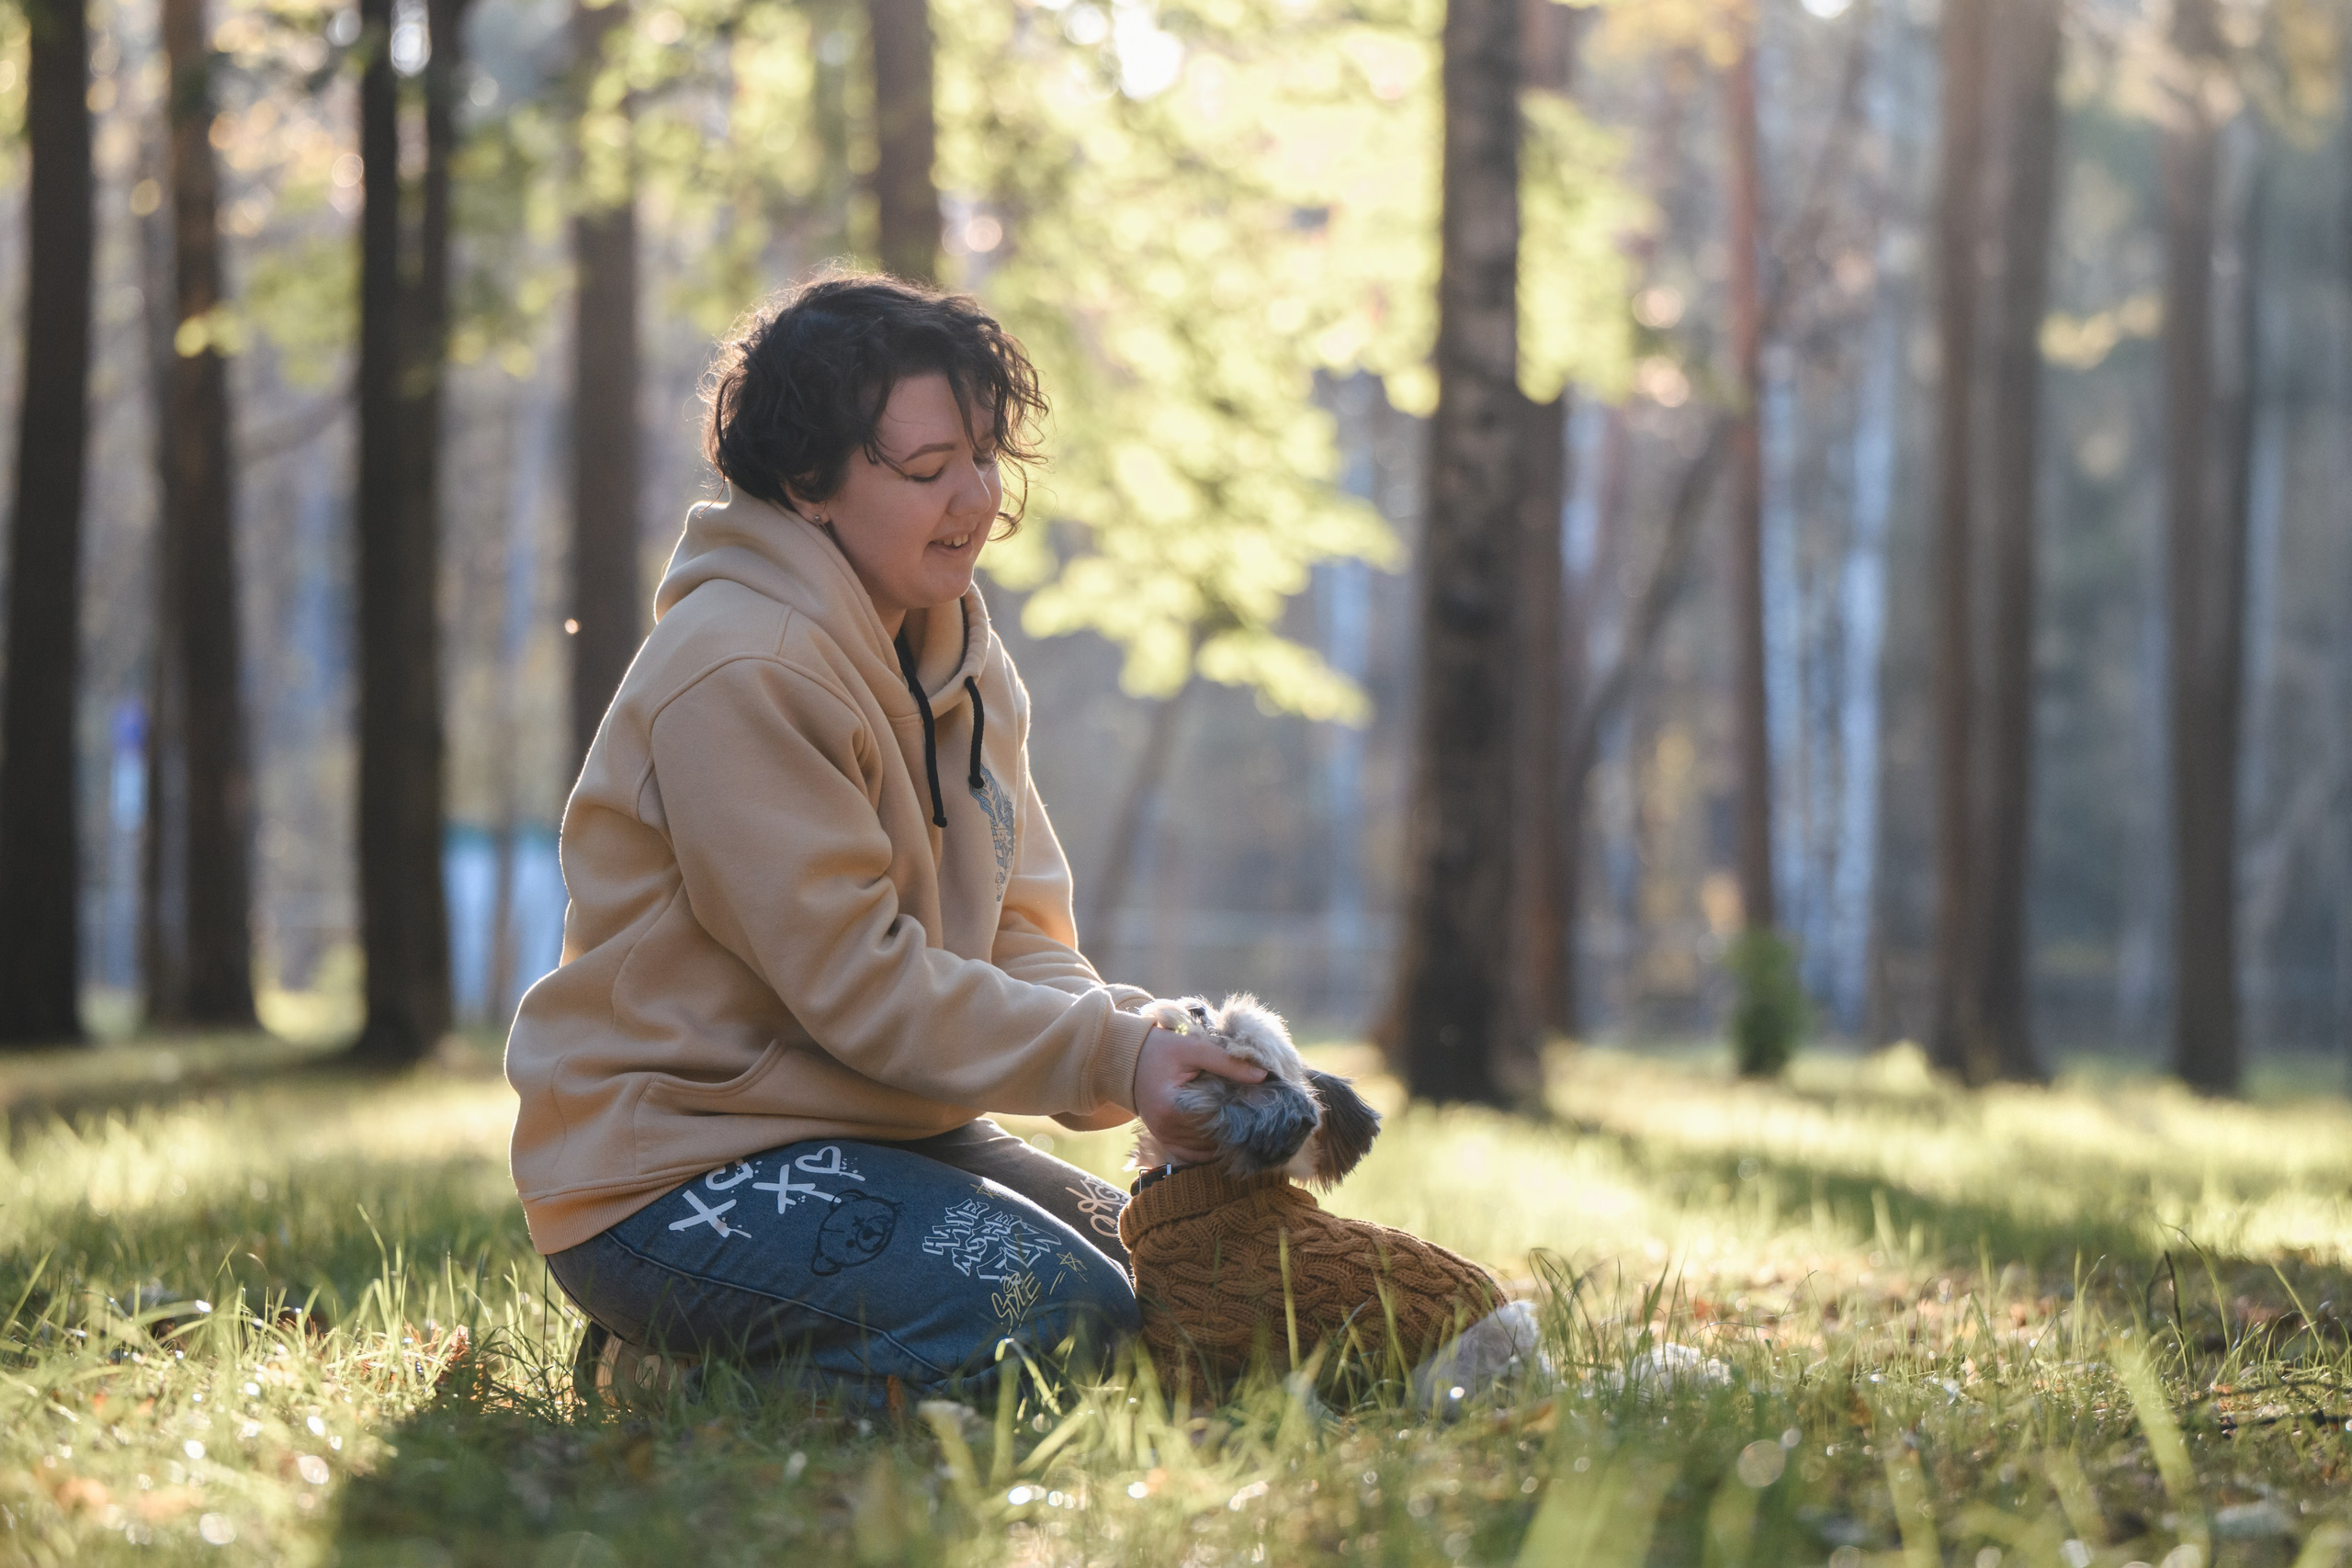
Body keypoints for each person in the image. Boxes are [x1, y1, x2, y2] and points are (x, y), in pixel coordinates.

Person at [504, 273, 1262, 1406]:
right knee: (1063, 1320)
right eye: (927, 469)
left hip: (884, 1136)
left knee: (1193, 1284)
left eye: (984, 456)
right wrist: (1110, 1058)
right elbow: (861, 987)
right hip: (676, 1174)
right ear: (807, 485)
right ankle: (661, 1373)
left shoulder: (962, 660)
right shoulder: (740, 669)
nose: (975, 498)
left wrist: (1140, 1049)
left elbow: (1015, 931)